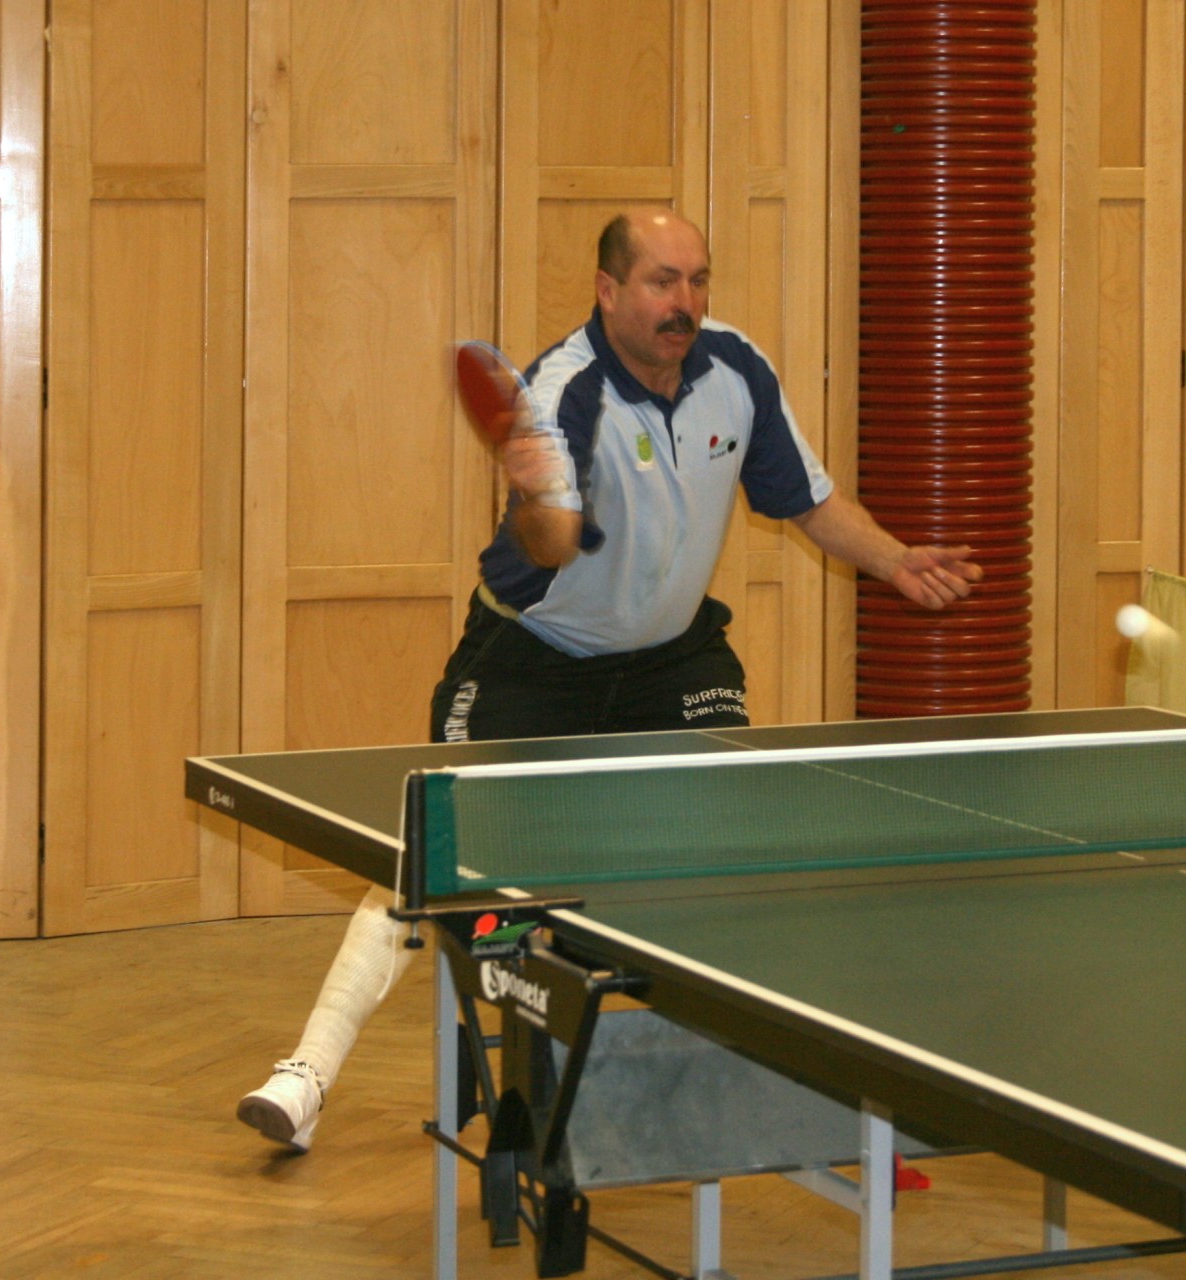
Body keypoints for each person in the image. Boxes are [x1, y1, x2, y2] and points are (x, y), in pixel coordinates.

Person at [236, 207, 982, 1151]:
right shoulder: (566, 392)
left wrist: (895, 561)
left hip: (671, 661)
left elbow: (807, 499)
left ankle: (747, 1080)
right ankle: (309, 1070)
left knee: (728, 833)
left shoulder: (736, 370)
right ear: (609, 289)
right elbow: (550, 546)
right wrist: (538, 491)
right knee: (441, 859)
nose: (685, 302)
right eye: (663, 282)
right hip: (533, 662)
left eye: (698, 280)